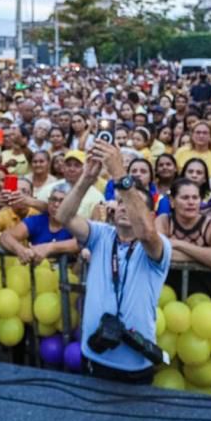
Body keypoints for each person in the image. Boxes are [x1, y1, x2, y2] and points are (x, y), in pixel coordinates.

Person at [54, 140, 171, 384]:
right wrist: (87, 178)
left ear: (149, 216)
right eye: (120, 202)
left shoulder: (157, 245)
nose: (123, 207)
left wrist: (120, 173)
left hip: (136, 363)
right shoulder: (101, 234)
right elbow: (63, 216)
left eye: (131, 203)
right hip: (94, 356)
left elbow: (147, 234)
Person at [157, 178, 211, 298]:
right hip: (168, 292)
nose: (191, 202)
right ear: (172, 201)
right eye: (185, 198)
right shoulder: (163, 221)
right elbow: (158, 252)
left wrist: (178, 244)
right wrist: (207, 258)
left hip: (205, 295)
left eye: (195, 198)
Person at [0, 183, 78, 264]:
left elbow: (79, 243)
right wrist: (21, 250)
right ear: (48, 201)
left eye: (62, 201)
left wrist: (49, 247)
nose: (56, 204)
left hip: (67, 273)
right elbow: (5, 237)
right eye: (53, 199)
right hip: (37, 271)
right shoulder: (37, 220)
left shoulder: (76, 223)